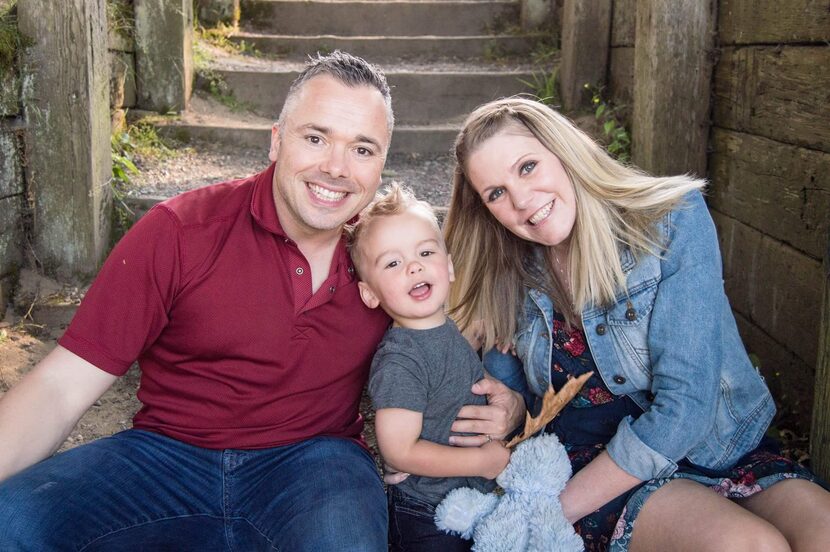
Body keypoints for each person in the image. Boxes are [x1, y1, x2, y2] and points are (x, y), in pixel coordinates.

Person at [1, 51, 396, 551]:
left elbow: (461, 334)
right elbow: (60, 386)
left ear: (382, 163)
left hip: (314, 464)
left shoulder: (393, 257)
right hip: (164, 457)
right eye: (315, 138)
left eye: (363, 149)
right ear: (276, 142)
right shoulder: (181, 232)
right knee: (10, 521)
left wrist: (508, 400)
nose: (336, 168)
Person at [443, 97, 830, 551]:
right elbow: (516, 399)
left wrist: (547, 515)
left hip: (716, 442)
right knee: (750, 546)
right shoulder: (505, 270)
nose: (522, 201)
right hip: (593, 461)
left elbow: (686, 404)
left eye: (527, 167)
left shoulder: (672, 219)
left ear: (564, 152)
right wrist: (508, 408)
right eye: (496, 193)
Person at [348, 183, 511, 551]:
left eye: (424, 251)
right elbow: (399, 452)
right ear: (370, 293)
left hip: (466, 499)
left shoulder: (444, 330)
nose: (414, 266)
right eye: (393, 263)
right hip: (427, 514)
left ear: (449, 266)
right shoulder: (400, 360)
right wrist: (481, 462)